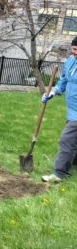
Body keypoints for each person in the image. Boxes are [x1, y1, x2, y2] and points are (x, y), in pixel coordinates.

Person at [41, 36, 77, 182]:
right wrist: (53, 91)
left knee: (66, 140)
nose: (75, 53)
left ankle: (59, 173)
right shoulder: (70, 62)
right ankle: (73, 163)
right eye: (74, 49)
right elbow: (63, 81)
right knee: (74, 140)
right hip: (72, 110)